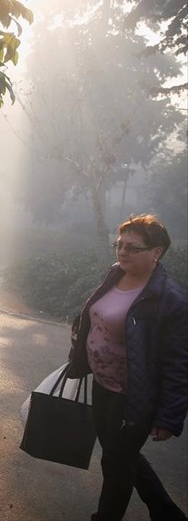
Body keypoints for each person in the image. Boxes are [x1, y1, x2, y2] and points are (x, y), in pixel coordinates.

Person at [67, 214, 187, 521]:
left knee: (116, 462)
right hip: (103, 383)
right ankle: (166, 512)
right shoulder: (114, 274)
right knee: (119, 454)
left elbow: (178, 362)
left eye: (132, 248)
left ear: (156, 252)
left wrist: (169, 416)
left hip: (134, 395)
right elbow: (98, 314)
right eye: (119, 245)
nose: (122, 252)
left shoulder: (168, 299)